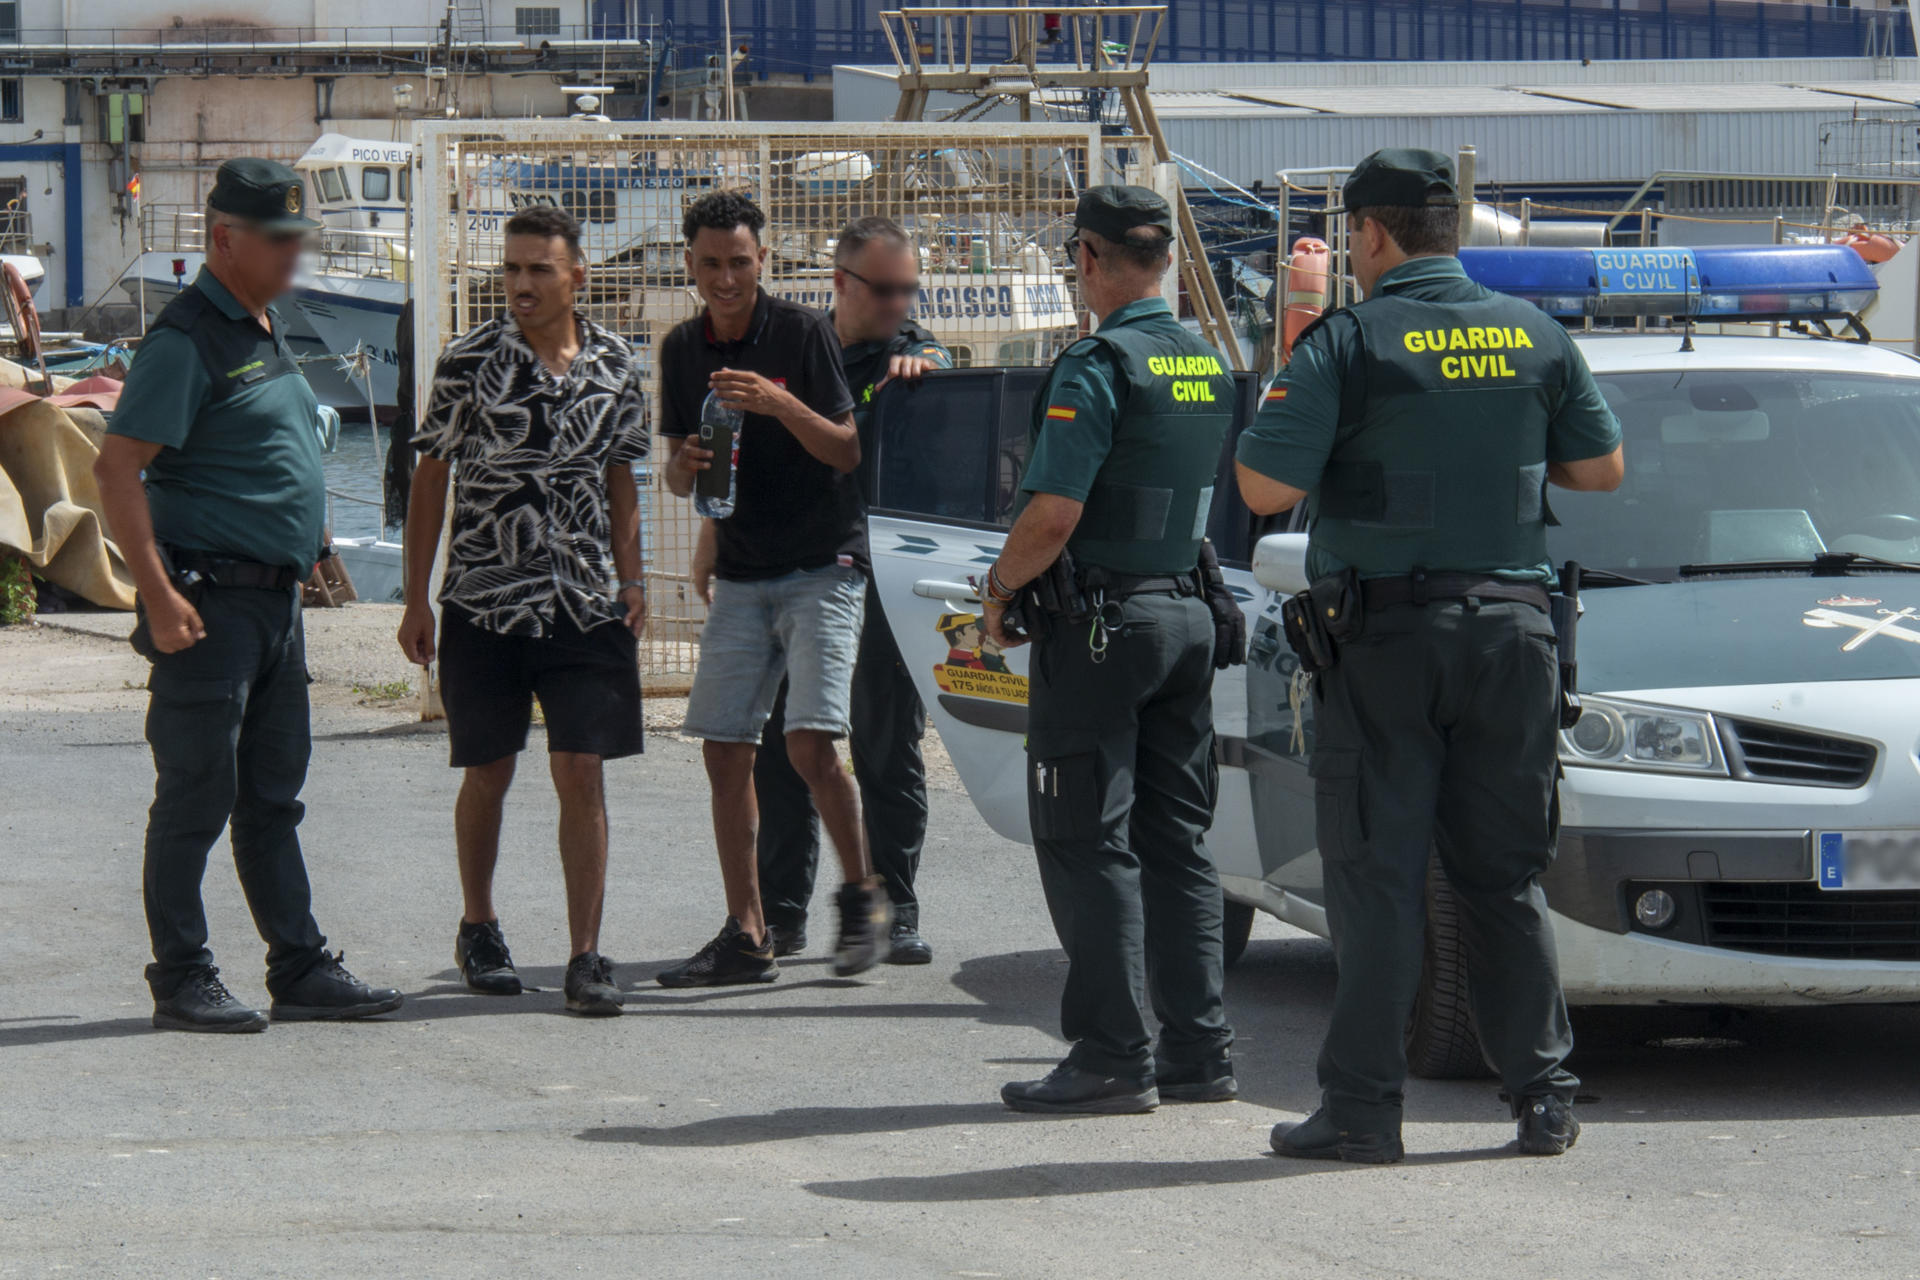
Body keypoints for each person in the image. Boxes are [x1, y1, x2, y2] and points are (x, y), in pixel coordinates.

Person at [1234, 148, 1625, 1162]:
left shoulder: (1349, 341)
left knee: (1377, 877)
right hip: (1515, 634)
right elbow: (1601, 466)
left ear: (1369, 233)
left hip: (1390, 644)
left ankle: (1363, 1109)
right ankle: (1544, 1094)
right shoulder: (1534, 332)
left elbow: (1262, 492)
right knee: (1502, 878)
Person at [93, 158, 403, 1032]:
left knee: (271, 795)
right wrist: (155, 594)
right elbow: (115, 471)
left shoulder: (262, 325)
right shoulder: (187, 340)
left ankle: (298, 965)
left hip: (273, 608)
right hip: (210, 605)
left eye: (300, 239)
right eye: (280, 240)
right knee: (196, 793)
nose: (295, 254)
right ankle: (182, 975)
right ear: (225, 238)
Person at [983, 186, 1237, 1115]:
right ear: (1163, 257)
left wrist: (1000, 594)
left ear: (1089, 256)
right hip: (1185, 618)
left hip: (1101, 629)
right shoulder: (1204, 359)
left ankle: (1110, 1054)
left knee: (1086, 836)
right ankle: (1199, 1052)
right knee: (1177, 840)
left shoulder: (1098, 363)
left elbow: (1051, 515)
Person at [396, 205, 649, 1018]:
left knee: (583, 769)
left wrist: (633, 579)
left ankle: (585, 954)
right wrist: (415, 597)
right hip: (484, 598)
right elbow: (430, 481)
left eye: (539, 269)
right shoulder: (467, 362)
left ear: (576, 275)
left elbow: (622, 478)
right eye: (510, 270)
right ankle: (480, 925)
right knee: (490, 770)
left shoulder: (615, 363)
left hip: (584, 599)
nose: (521, 285)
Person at [657, 190, 886, 985]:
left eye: (741, 263)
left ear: (763, 262)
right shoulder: (683, 349)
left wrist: (779, 401)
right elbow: (684, 477)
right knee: (726, 751)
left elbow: (847, 452)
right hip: (743, 572)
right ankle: (747, 933)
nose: (726, 279)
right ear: (689, 265)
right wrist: (681, 469)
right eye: (711, 264)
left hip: (824, 564)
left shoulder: (802, 331)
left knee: (811, 745)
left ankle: (862, 897)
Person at [741, 214, 952, 966]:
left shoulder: (915, 358)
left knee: (886, 749)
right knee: (785, 752)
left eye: (908, 290)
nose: (899, 304)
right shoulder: (798, 350)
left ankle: (895, 911)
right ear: (841, 282)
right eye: (885, 290)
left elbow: (939, 375)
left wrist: (927, 364)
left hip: (877, 583)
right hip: (794, 573)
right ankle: (785, 916)